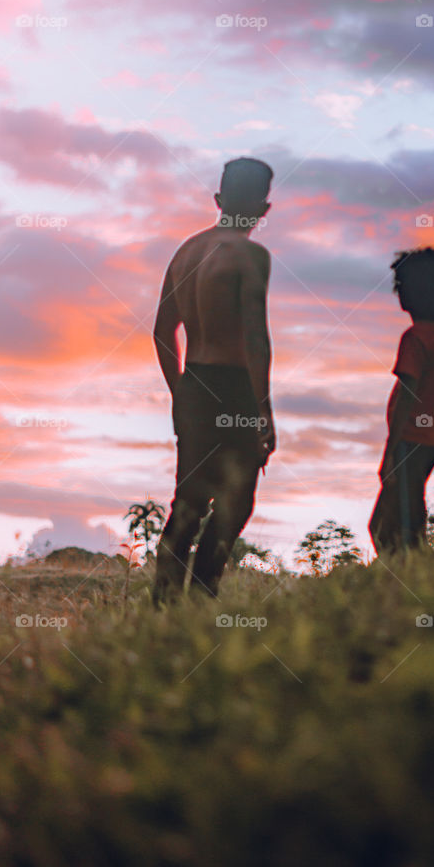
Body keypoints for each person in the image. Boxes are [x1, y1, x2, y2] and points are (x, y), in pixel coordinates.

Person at [151, 158, 275, 607]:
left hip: (196, 384)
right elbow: (256, 339)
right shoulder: (251, 255)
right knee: (235, 501)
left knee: (187, 504)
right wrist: (264, 410)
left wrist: (180, 390)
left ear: (219, 200)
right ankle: (202, 598)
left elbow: (162, 332)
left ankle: (163, 609)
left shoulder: (185, 253)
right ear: (264, 208)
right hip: (234, 386)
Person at [369, 247, 434, 554]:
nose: (399, 294)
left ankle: (409, 579)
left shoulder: (416, 337)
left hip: (411, 438)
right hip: (431, 438)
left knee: (388, 524)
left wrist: (390, 451)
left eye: (402, 286)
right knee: (405, 512)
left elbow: (408, 394)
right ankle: (410, 575)